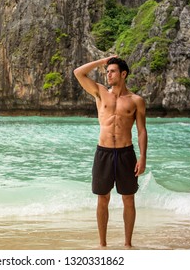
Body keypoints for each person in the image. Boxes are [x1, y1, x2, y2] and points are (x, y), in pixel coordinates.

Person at [74, 56, 147, 248]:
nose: (108, 74)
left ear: (123, 74)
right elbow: (78, 73)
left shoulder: (136, 100)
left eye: (112, 71)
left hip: (126, 154)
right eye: (107, 72)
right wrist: (103, 61)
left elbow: (141, 131)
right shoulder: (99, 92)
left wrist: (143, 157)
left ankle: (128, 244)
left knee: (128, 198)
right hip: (103, 153)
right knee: (102, 198)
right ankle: (102, 244)